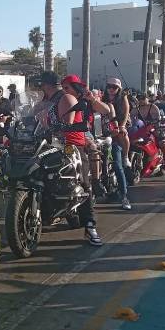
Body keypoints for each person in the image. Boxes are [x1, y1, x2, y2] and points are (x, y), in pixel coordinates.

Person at [34, 72, 107, 240]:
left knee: (82, 183)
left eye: (41, 85)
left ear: (46, 85)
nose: (41, 89)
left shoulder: (66, 99)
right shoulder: (47, 102)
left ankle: (90, 225)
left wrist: (44, 123)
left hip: (71, 145)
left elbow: (66, 126)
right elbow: (31, 117)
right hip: (51, 145)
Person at [60, 74, 112, 239]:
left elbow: (106, 110)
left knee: (91, 150)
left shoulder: (87, 99)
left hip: (85, 133)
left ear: (76, 88)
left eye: (67, 87)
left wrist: (93, 100)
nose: (65, 91)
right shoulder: (61, 100)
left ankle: (95, 182)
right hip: (64, 138)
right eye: (63, 88)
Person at [103, 78, 132, 168]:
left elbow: (126, 113)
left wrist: (122, 126)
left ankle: (126, 157)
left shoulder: (123, 97)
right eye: (109, 86)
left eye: (114, 87)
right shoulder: (103, 97)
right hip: (108, 121)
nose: (111, 89)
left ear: (119, 88)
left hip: (122, 120)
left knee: (121, 134)